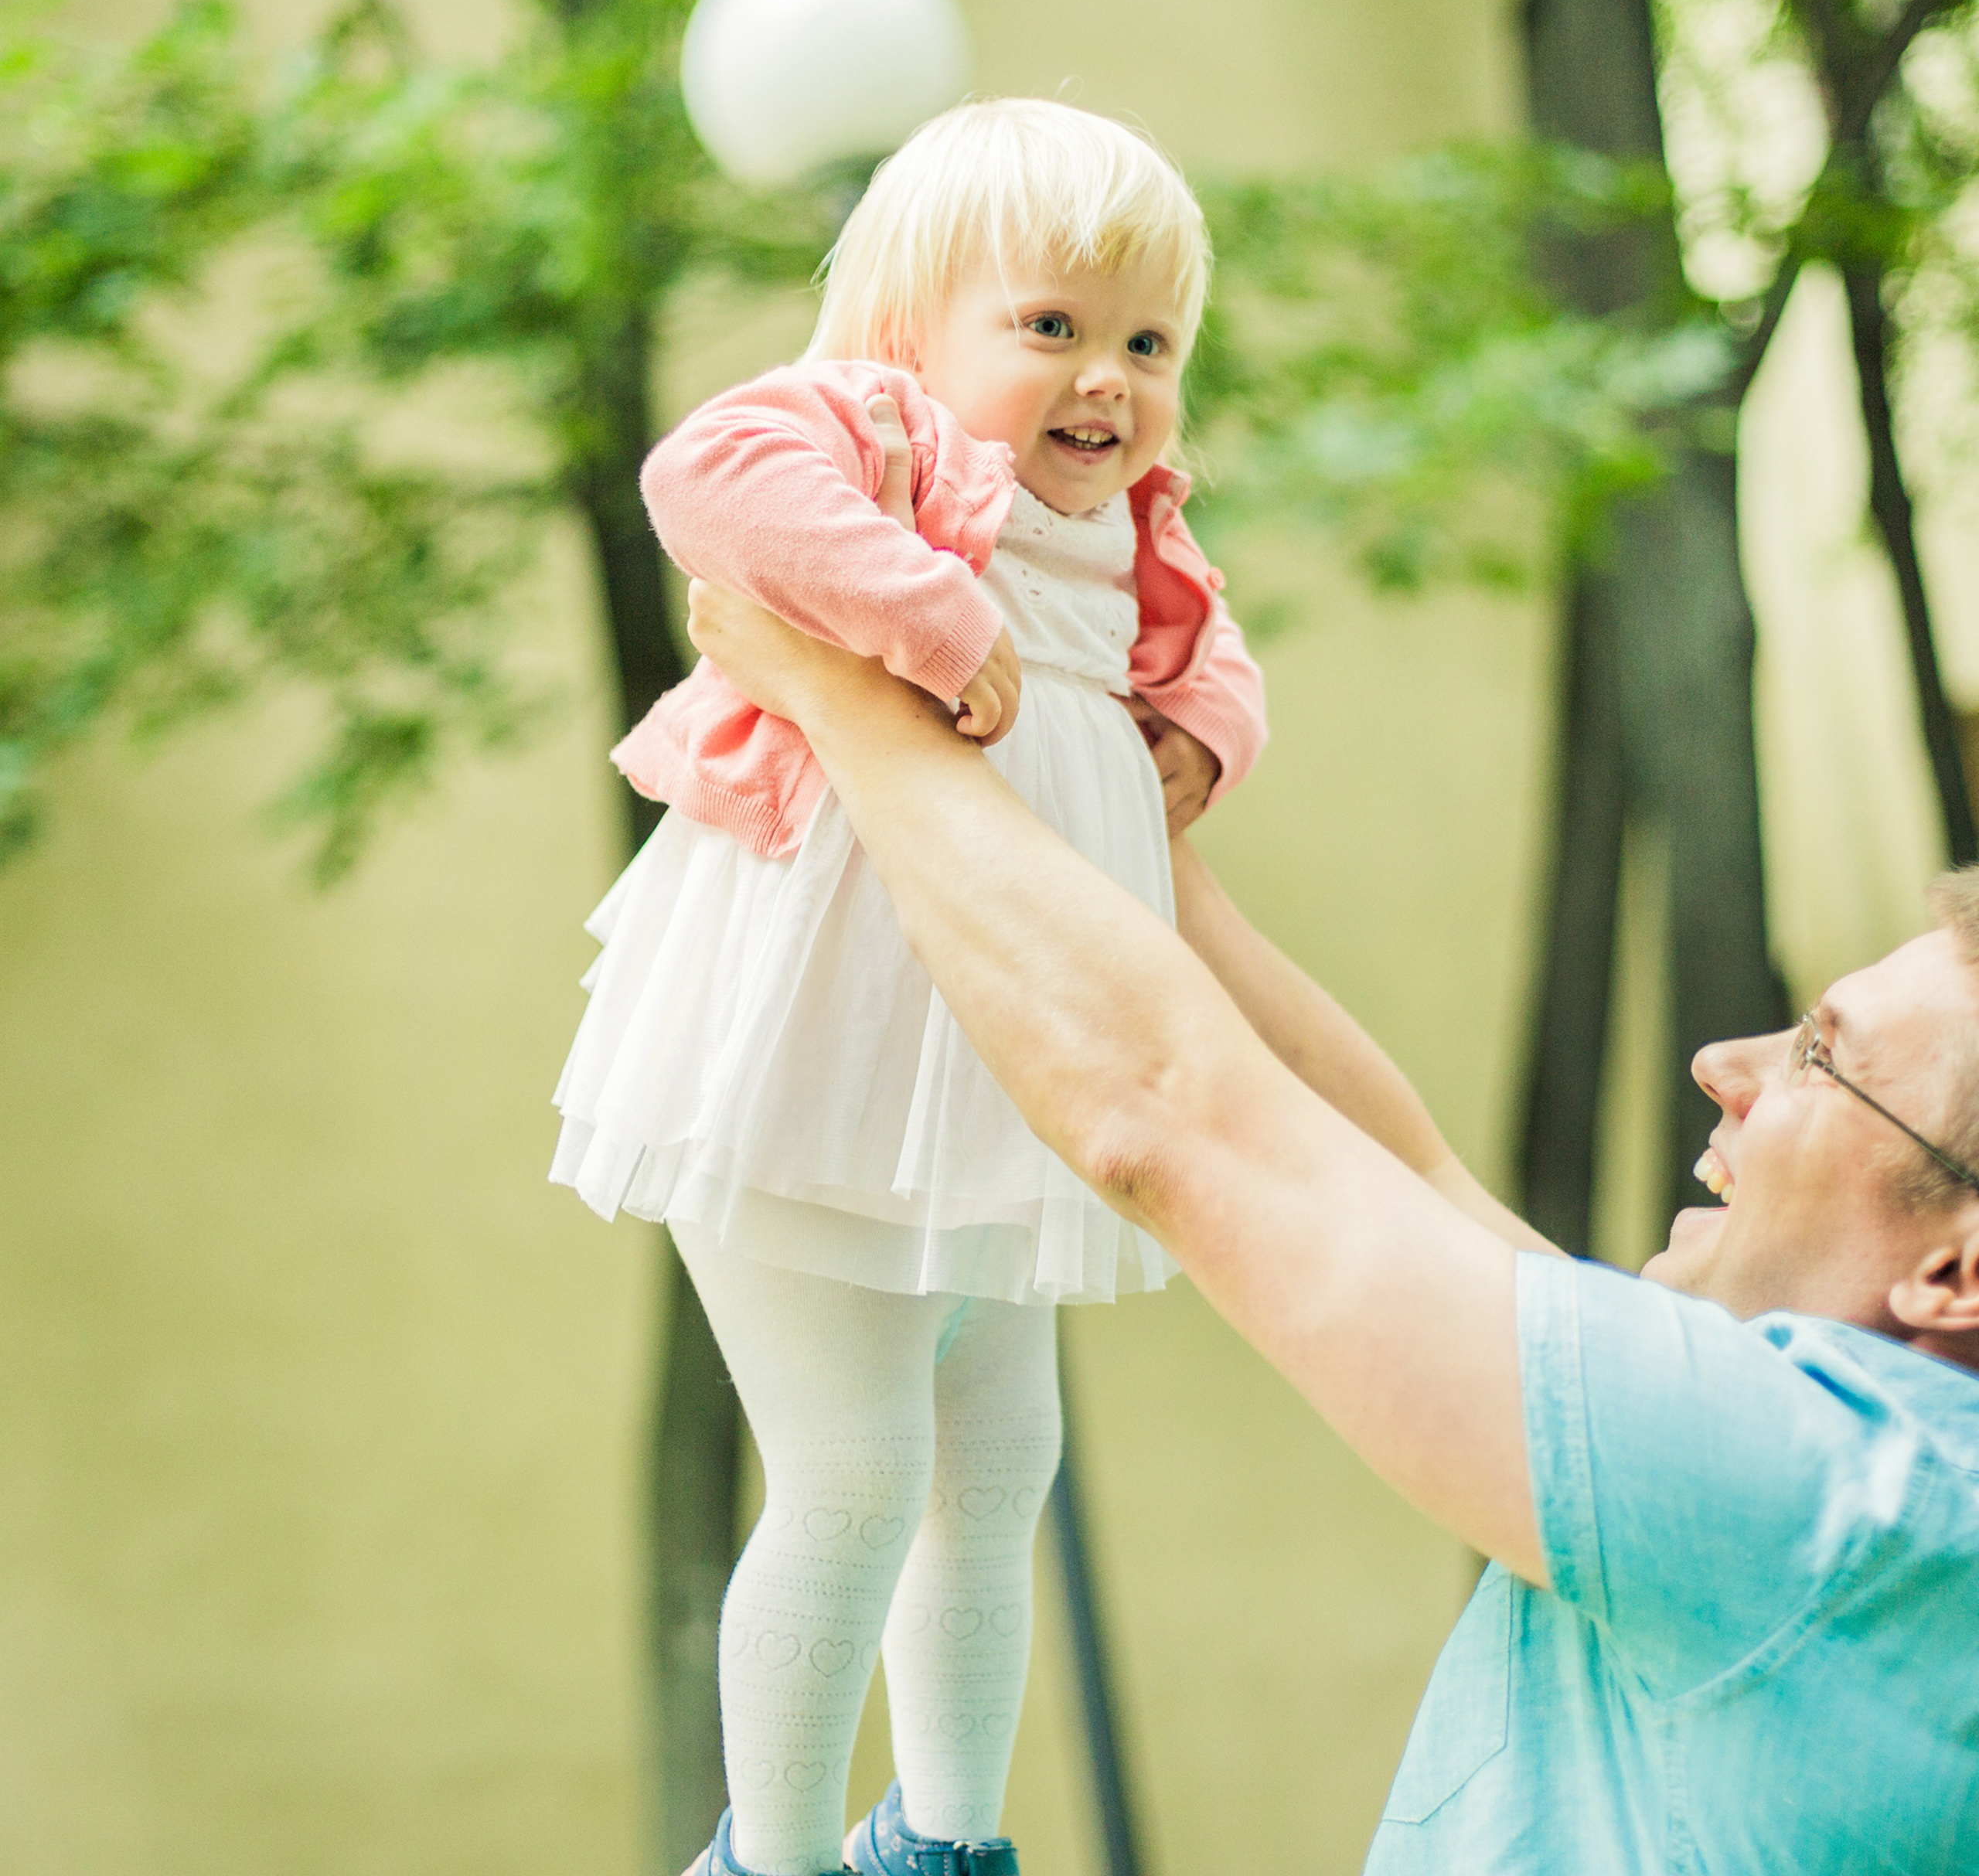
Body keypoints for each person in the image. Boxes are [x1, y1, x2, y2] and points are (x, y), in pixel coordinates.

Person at [683, 576, 1979, 1874]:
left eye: (1821, 1055)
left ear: (1957, 1269)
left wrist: (838, 697)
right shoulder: (1882, 1511)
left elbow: (1169, 1116)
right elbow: (1397, 1164)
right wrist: (1105, 786)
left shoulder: (1824, 1498)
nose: (1723, 1061)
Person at [549, 100, 1267, 1876]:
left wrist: (1201, 734)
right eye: (1051, 326)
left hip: (1005, 1065)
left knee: (993, 1463)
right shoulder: (875, 436)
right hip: (817, 1043)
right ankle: (772, 1858)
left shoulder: (1137, 521)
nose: (1106, 378)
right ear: (908, 330)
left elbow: (1205, 642)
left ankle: (943, 1839)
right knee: (852, 1473)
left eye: (1146, 341)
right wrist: (929, 619)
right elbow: (699, 478)